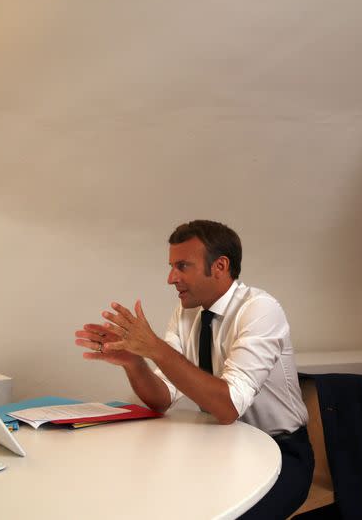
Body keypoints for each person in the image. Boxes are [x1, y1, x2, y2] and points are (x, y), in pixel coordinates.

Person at [75, 220, 313, 519]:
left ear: (220, 266)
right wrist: (134, 362)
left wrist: (155, 348)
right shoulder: (186, 312)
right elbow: (162, 398)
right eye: (171, 266)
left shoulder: (260, 309)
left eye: (182, 266)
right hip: (219, 445)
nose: (170, 278)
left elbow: (227, 408)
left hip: (281, 453)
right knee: (146, 499)